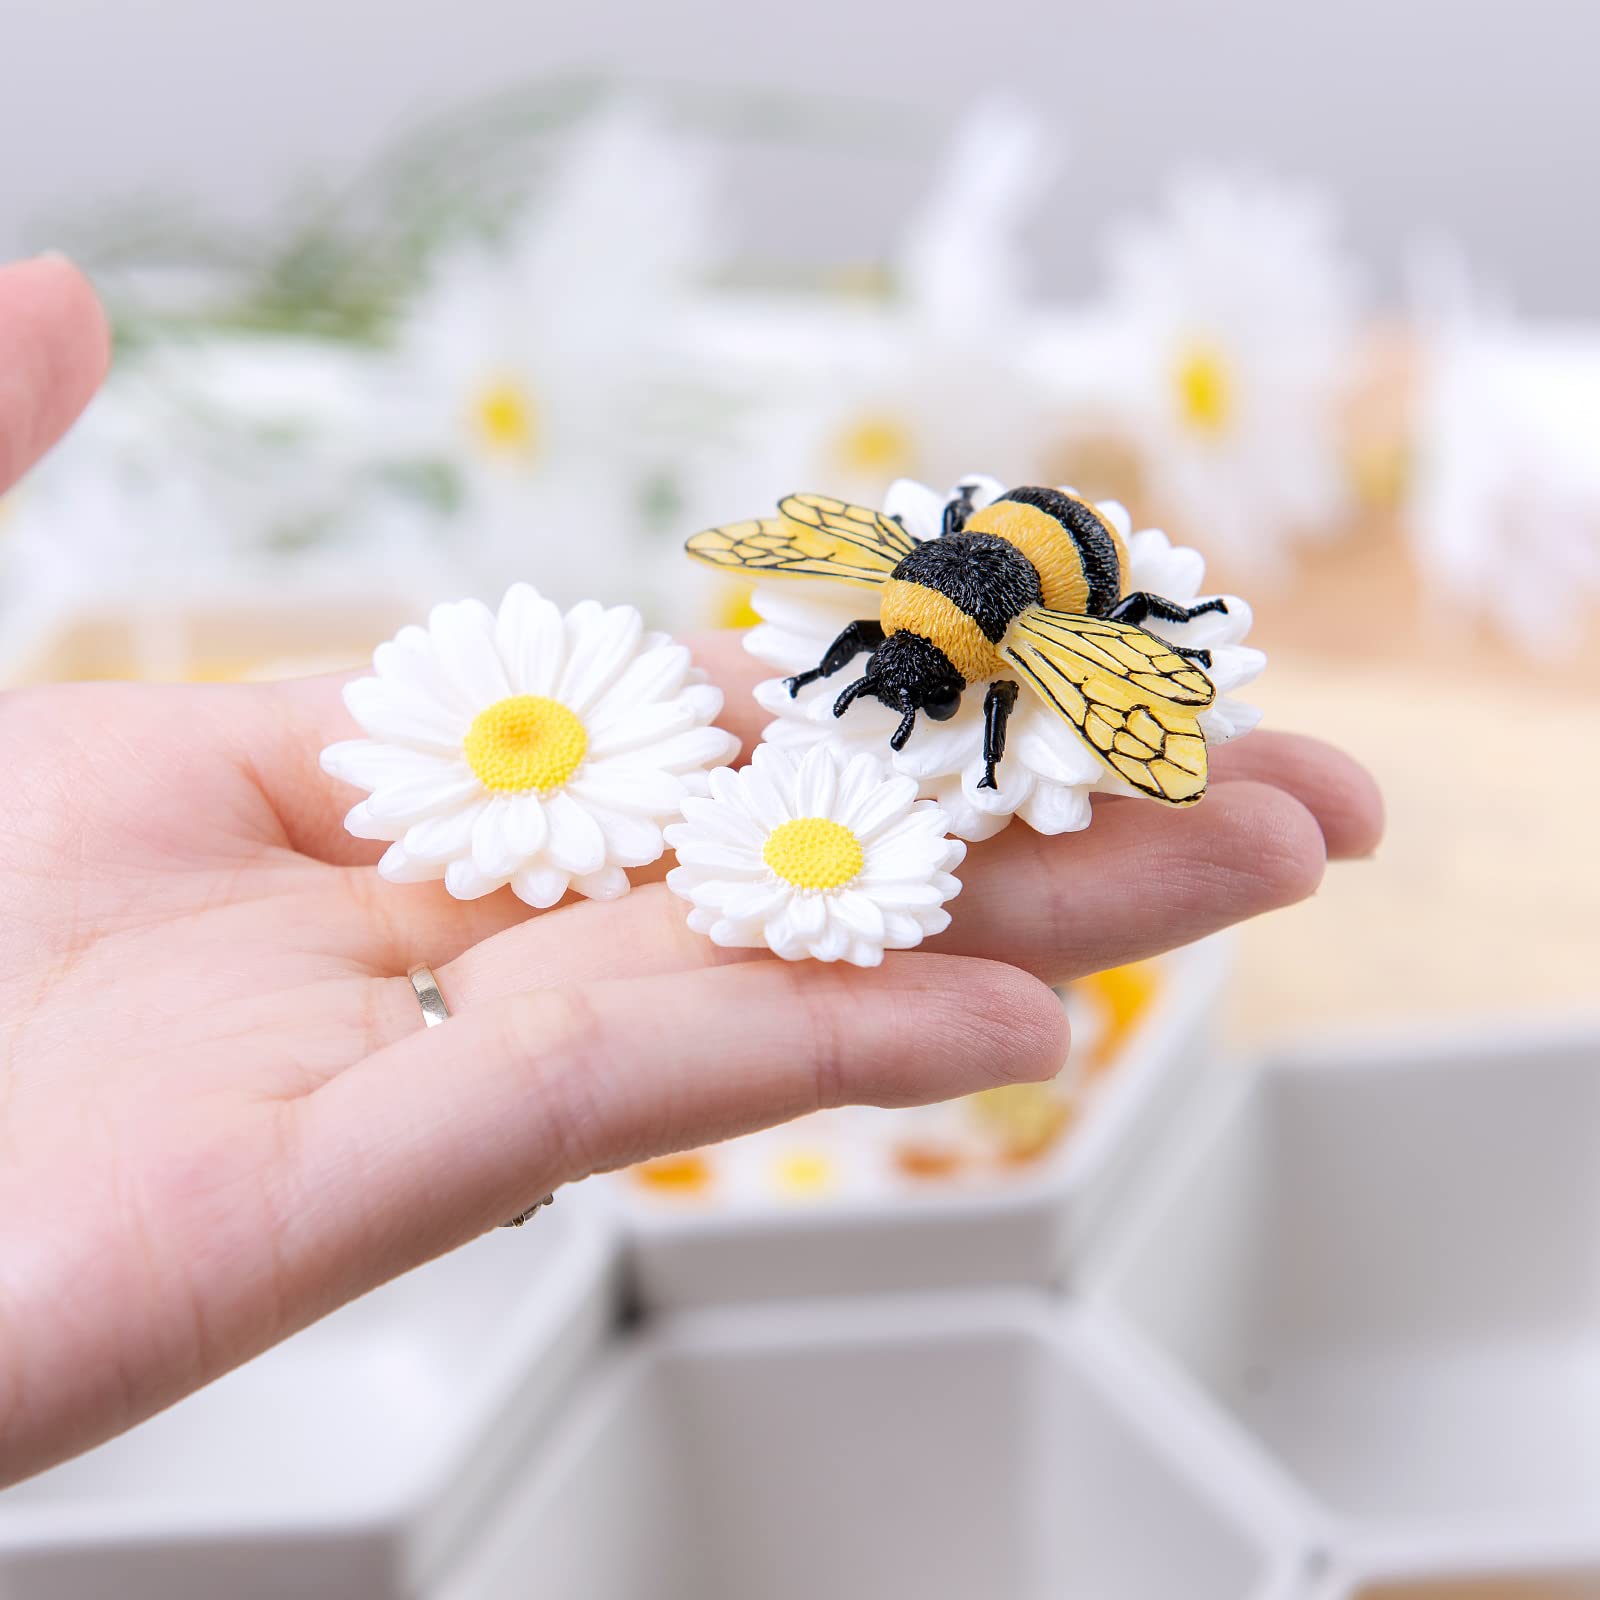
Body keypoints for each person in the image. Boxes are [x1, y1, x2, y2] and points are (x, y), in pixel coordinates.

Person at [0, 256, 1382, 1486]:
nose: (885, 690)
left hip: (1062, 563)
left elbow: (1047, 703)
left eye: (907, 679)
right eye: (876, 669)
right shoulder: (881, 616)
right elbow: (864, 642)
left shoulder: (1052, 667)